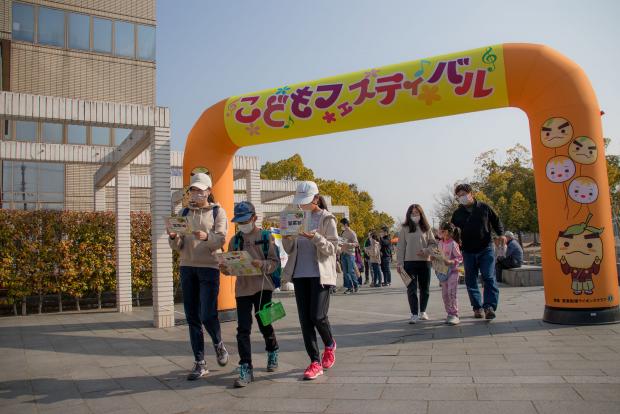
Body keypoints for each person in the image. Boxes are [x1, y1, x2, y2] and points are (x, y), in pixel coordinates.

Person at [167, 172, 229, 380]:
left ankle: (219, 343)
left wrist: (206, 237)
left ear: (209, 191)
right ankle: (200, 362)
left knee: (207, 314)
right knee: (192, 317)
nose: (196, 193)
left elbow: (220, 239)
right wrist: (174, 237)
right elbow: (178, 246)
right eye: (193, 190)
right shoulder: (184, 212)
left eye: (200, 190)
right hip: (187, 266)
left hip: (209, 267)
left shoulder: (218, 212)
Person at [220, 202, 280, 388]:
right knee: (243, 329)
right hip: (243, 288)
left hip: (263, 286)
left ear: (254, 217)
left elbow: (275, 263)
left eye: (245, 220)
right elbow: (230, 268)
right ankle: (246, 366)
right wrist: (225, 268)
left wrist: (261, 264)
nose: (242, 224)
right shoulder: (234, 240)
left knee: (265, 323)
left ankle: (272, 350)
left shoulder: (265, 236)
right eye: (239, 221)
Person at [282, 181, 338, 380]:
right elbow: (289, 249)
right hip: (300, 274)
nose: (302, 205)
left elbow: (332, 249)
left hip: (320, 274)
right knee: (305, 320)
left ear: (316, 198)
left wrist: (315, 237)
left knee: (318, 315)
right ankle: (314, 362)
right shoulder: (294, 217)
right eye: (300, 202)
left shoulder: (326, 218)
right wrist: (287, 237)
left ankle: (329, 344)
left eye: (306, 201)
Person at [451, 183, 504, 320]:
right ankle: (477, 307)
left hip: (486, 248)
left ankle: (489, 307)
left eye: (464, 194)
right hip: (468, 251)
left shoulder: (484, 207)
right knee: (471, 280)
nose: (462, 197)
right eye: (459, 196)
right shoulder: (457, 214)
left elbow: (496, 221)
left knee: (488, 276)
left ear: (471, 194)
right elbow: (452, 231)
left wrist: (501, 234)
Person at [396, 204, 437, 324]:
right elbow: (400, 247)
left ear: (421, 214)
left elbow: (433, 244)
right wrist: (399, 263)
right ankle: (414, 313)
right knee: (411, 288)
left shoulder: (427, 228)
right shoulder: (404, 228)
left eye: (417, 213)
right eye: (412, 213)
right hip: (409, 262)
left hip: (425, 261)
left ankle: (423, 311)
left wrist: (426, 251)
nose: (415, 215)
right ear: (409, 215)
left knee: (425, 288)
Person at [437, 222, 464, 325]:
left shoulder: (453, 244)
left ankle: (454, 314)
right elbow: (438, 255)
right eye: (440, 230)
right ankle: (449, 313)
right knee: (444, 294)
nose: (440, 232)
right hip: (443, 273)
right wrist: (433, 258)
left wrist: (451, 262)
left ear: (448, 232)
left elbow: (460, 258)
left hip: (453, 272)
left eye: (442, 230)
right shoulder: (440, 243)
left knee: (451, 292)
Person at [339, 218, 360, 294]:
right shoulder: (343, 232)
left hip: (350, 254)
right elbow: (341, 242)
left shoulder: (352, 233)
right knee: (345, 272)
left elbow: (356, 243)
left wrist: (348, 244)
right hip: (343, 254)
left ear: (345, 224)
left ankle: (356, 285)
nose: (341, 226)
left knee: (351, 271)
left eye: (341, 225)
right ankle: (349, 288)